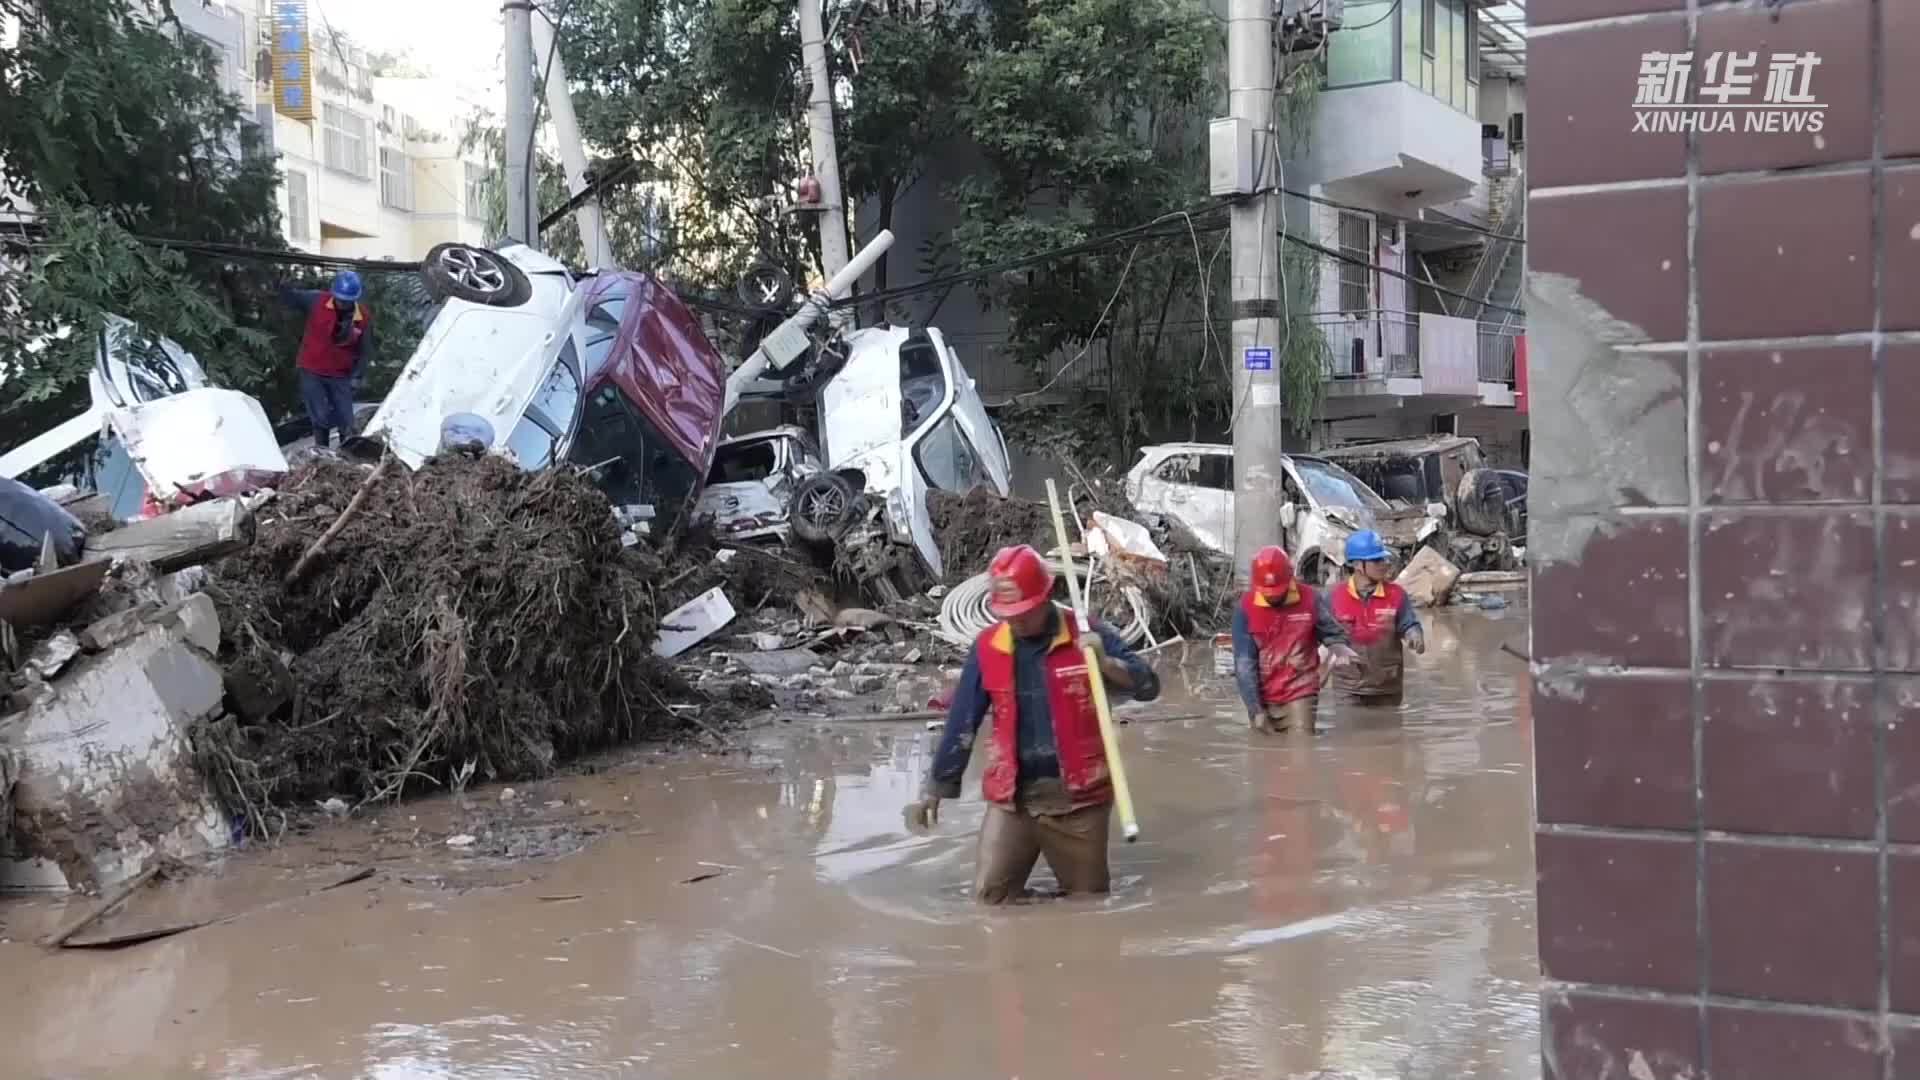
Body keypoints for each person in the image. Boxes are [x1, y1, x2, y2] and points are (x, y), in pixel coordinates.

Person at [904, 544, 1161, 904]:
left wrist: (1105, 663)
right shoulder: (988, 647)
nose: (1017, 621)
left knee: (1087, 904)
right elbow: (963, 721)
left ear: (1047, 597)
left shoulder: (1087, 634)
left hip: (1078, 799)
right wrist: (935, 789)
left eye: (1024, 611)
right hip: (1013, 799)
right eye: (1008, 613)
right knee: (990, 899)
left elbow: (1150, 686)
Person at [1232, 545, 1357, 735]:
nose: (1273, 598)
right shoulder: (1245, 609)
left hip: (1301, 690)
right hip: (1262, 693)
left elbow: (1333, 634)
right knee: (1266, 755)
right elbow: (1244, 664)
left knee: (1301, 750)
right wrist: (1255, 709)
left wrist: (1339, 651)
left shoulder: (1310, 599)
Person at [1320, 530, 1425, 706]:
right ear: (1357, 565)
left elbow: (1409, 624)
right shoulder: (1333, 597)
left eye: (1384, 559)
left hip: (1387, 687)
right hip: (1348, 689)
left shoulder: (1397, 595)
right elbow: (1319, 637)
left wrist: (1415, 635)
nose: (1384, 564)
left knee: (1390, 732)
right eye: (1377, 560)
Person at [280, 270, 372, 450]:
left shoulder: (362, 318)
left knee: (346, 420)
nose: (343, 304)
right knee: (320, 416)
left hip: (340, 375)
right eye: (340, 299)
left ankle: (348, 457)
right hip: (312, 370)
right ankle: (321, 451)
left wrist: (358, 376)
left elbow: (365, 350)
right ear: (334, 294)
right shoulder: (317, 301)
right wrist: (283, 287)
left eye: (347, 301)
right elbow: (292, 298)